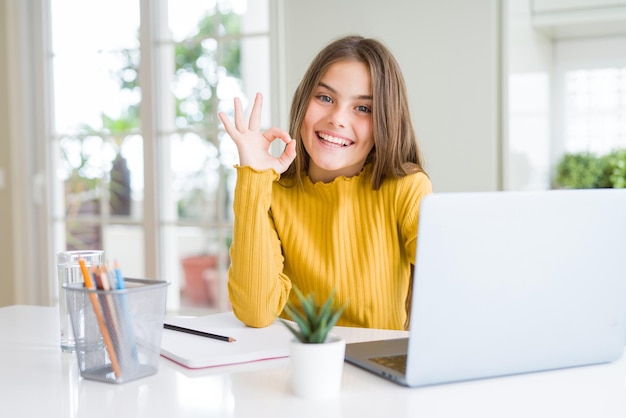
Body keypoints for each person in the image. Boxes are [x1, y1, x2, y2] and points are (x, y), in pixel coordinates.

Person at [218, 35, 432, 331]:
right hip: (293, 366)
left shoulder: (405, 187)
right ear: (304, 100)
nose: (337, 119)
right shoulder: (273, 193)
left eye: (363, 108)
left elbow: (452, 284)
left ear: (386, 119)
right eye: (325, 98)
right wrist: (254, 178)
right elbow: (255, 312)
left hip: (372, 373)